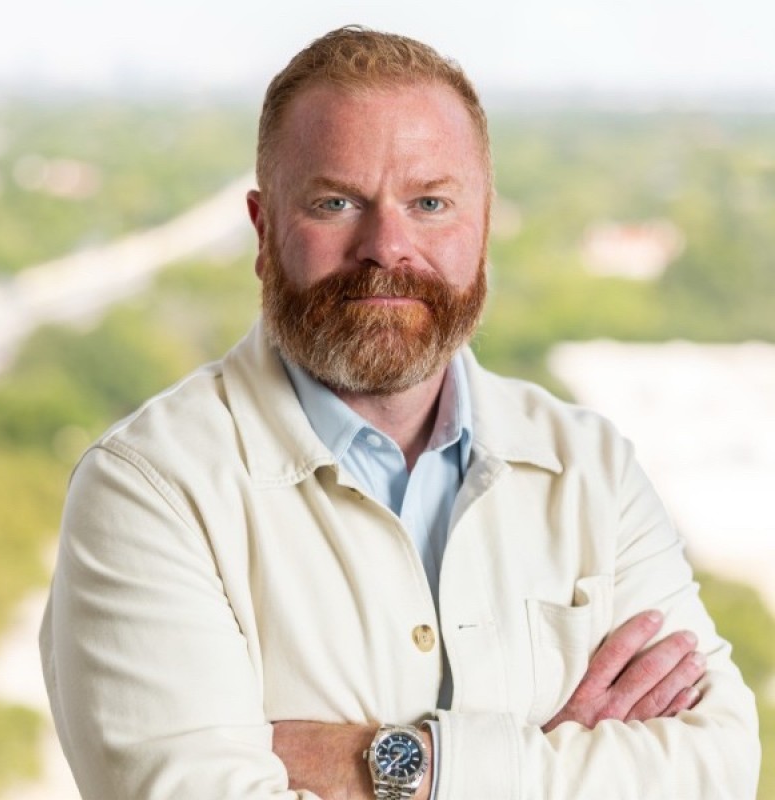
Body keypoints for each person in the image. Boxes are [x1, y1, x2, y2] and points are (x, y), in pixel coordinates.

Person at [40, 25, 760, 799]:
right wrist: (551, 758)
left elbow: (716, 766)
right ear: (262, 231)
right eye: (336, 201)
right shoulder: (148, 489)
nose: (387, 246)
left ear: (482, 232)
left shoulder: (593, 466)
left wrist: (404, 767)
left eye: (430, 203)